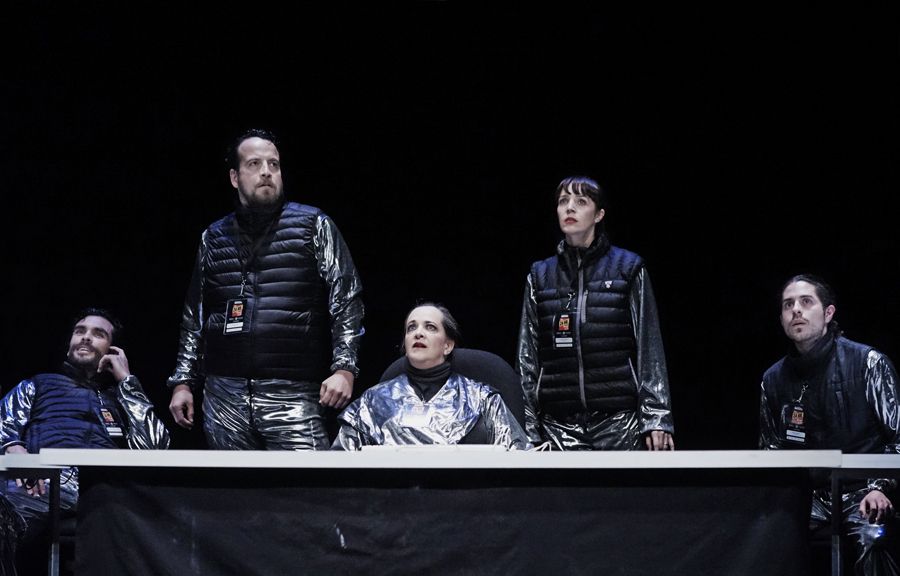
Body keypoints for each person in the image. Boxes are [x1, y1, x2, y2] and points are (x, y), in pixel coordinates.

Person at [168, 128, 365, 450]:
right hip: (224, 395)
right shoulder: (213, 237)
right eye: (254, 164)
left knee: (306, 481)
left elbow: (346, 300)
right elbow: (195, 316)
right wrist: (182, 382)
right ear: (234, 177)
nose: (266, 172)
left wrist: (344, 368)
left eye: (274, 164)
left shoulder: (313, 224)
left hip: (292, 392)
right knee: (233, 482)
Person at [1, 307, 170, 576]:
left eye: (98, 334)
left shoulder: (121, 400)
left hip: (101, 492)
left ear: (113, 350)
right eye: (80, 331)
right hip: (40, 486)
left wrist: (127, 382)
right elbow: (4, 424)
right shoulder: (38, 384)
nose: (86, 337)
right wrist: (16, 451)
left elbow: (157, 447)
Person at [760, 274, 900, 576]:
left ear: (828, 313)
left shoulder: (868, 363)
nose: (796, 310)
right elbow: (769, 451)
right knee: (759, 533)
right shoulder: (773, 380)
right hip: (808, 497)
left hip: (864, 491)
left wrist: (879, 488)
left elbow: (897, 439)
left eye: (806, 302)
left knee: (874, 534)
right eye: (788, 305)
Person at [515, 176, 674, 451]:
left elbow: (649, 347)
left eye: (581, 201)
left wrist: (656, 416)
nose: (569, 208)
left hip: (619, 425)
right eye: (563, 201)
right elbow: (527, 357)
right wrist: (527, 426)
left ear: (599, 214)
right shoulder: (540, 275)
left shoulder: (628, 268)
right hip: (557, 426)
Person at [334, 302, 531, 450]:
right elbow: (341, 465)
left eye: (430, 327)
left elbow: (518, 458)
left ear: (448, 345)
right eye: (411, 327)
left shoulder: (482, 399)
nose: (418, 333)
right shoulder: (373, 401)